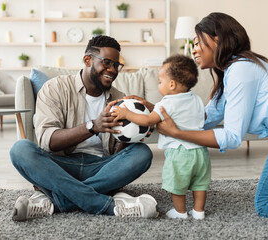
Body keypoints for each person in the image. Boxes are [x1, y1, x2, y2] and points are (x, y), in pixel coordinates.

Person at [147, 12, 268, 224]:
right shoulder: (233, 73)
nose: (193, 50)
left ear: (217, 39)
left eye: (197, 43)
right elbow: (200, 119)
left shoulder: (240, 69)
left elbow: (232, 137)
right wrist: (154, 112)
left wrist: (176, 133)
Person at [9, 35, 158, 221]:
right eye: (106, 62)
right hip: (60, 165)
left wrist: (134, 134)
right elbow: (49, 141)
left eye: (116, 65)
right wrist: (93, 126)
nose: (112, 70)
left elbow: (118, 153)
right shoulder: (54, 89)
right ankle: (109, 206)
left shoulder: (120, 98)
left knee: (142, 153)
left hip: (101, 167)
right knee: (21, 149)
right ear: (87, 60)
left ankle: (58, 201)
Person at [113, 55, 210, 220]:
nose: (159, 85)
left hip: (179, 152)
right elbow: (204, 117)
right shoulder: (197, 100)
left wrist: (127, 113)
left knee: (177, 184)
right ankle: (199, 211)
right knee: (200, 183)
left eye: (160, 81)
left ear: (171, 84)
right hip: (200, 151)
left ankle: (180, 213)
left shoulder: (165, 103)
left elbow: (149, 120)